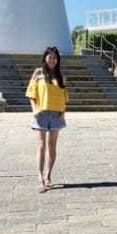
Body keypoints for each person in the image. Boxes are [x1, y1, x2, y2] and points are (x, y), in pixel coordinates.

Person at [26, 46, 68, 193]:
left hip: (57, 114)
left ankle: (48, 175)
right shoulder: (38, 73)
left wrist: (63, 112)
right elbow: (31, 93)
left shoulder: (60, 75)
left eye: (55, 57)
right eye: (50, 57)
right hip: (41, 113)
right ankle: (40, 179)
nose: (52, 60)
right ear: (45, 58)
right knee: (41, 145)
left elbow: (64, 96)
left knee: (52, 146)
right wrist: (34, 109)